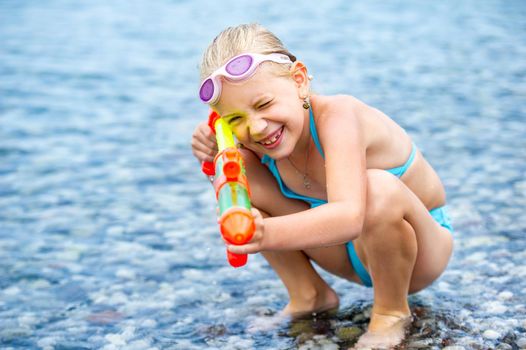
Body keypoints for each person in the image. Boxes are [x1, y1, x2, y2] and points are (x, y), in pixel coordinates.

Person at [191, 23, 453, 349]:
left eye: (263, 105)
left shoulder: (339, 115)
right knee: (238, 173)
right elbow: (232, 185)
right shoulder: (256, 144)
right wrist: (216, 156)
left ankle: (390, 312)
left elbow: (349, 217)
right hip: (347, 251)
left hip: (418, 252)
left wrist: (264, 234)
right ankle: (309, 295)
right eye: (235, 120)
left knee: (376, 188)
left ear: (299, 81)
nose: (257, 127)